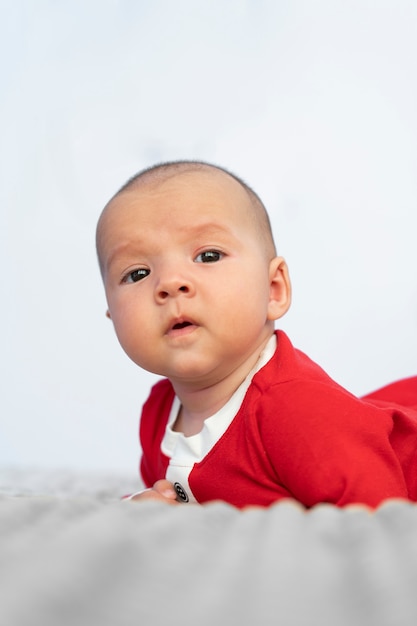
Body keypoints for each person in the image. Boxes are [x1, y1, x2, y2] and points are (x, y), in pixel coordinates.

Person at [96, 160, 417, 509]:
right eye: (137, 273)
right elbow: (172, 497)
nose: (171, 283)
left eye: (208, 255)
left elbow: (385, 526)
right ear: (112, 315)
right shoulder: (159, 413)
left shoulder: (299, 414)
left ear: (273, 289)